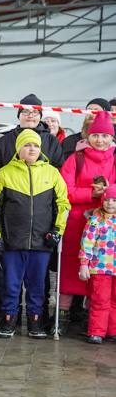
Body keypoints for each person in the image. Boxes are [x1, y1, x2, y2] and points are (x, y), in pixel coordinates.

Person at [0, 129, 70, 339]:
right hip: (12, 241)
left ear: (40, 149)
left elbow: (62, 204)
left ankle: (35, 320)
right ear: (18, 149)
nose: (31, 149)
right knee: (11, 284)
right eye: (26, 145)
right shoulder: (4, 173)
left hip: (42, 241)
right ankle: (9, 318)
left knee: (38, 284)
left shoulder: (52, 173)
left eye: (35, 145)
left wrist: (57, 230)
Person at [56, 111, 116, 334]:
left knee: (99, 276)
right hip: (75, 224)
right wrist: (91, 194)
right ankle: (61, 316)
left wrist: (108, 193)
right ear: (88, 136)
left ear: (112, 138)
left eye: (105, 136)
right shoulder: (75, 158)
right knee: (70, 272)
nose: (100, 140)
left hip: (107, 228)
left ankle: (90, 319)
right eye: (95, 135)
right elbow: (64, 191)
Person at [79, 186, 116, 344]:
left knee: (114, 300)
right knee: (100, 300)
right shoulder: (95, 220)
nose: (110, 203)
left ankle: (113, 330)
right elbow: (87, 244)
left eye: (114, 200)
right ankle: (96, 332)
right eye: (107, 199)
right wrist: (84, 264)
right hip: (100, 269)